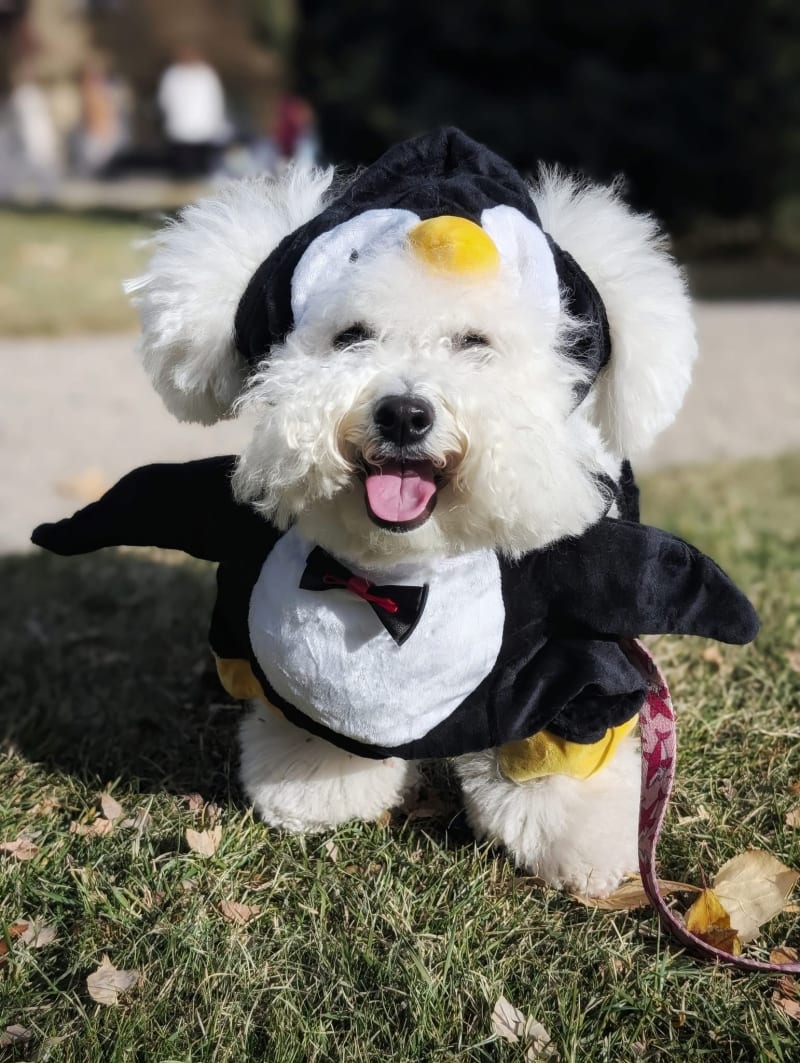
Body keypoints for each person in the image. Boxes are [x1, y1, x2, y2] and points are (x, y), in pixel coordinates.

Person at [157, 46, 229, 178]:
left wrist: (216, 124)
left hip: (203, 130)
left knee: (201, 169)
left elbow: (215, 101)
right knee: (183, 169)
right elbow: (165, 100)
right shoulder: (173, 75)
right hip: (180, 130)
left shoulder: (206, 74)